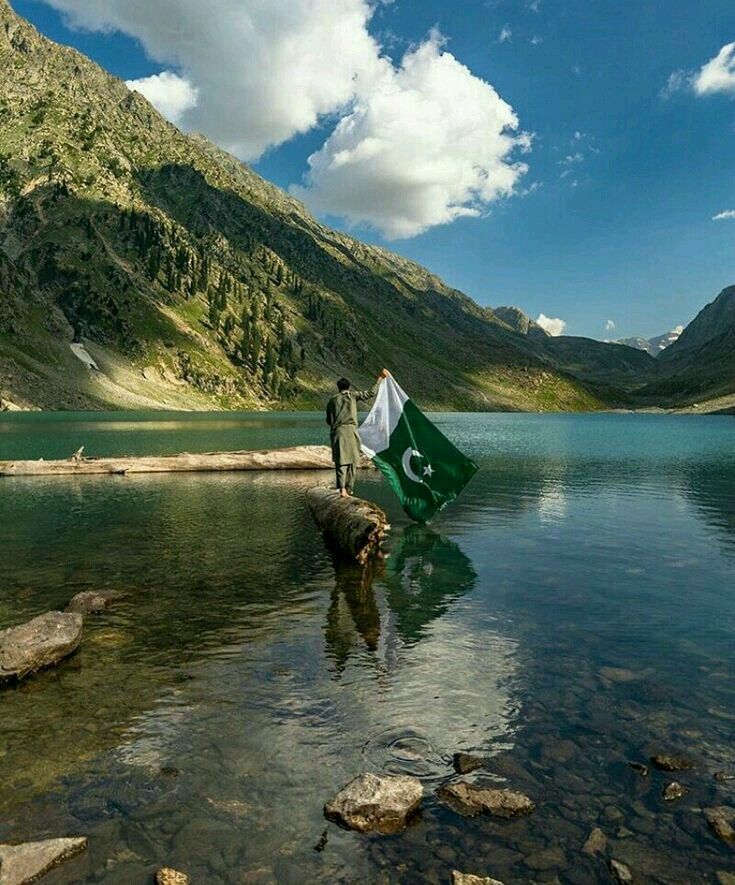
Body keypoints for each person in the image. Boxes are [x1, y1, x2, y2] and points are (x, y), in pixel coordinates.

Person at [326, 369, 389, 497]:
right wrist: (380, 379)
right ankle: (349, 488)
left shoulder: (332, 401)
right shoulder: (353, 396)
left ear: (338, 388)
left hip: (338, 432)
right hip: (352, 432)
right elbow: (371, 393)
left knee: (341, 461)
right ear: (349, 387)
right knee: (353, 460)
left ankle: (342, 489)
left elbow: (328, 420)